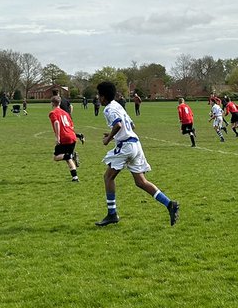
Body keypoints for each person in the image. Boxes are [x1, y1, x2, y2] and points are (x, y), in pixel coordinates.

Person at [95, 80, 179, 227]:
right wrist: (114, 133)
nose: (98, 98)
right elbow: (131, 125)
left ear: (103, 97)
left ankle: (112, 214)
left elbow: (118, 125)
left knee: (108, 177)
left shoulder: (108, 109)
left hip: (126, 146)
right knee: (141, 182)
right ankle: (170, 204)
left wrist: (108, 138)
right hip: (135, 145)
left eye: (98, 95)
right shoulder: (118, 106)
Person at [49, 94, 82, 182]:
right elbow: (71, 126)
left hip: (64, 138)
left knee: (56, 157)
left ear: (52, 103)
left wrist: (57, 137)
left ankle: (71, 155)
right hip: (72, 137)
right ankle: (75, 177)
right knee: (67, 159)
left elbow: (56, 123)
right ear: (60, 103)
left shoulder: (53, 113)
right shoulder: (66, 113)